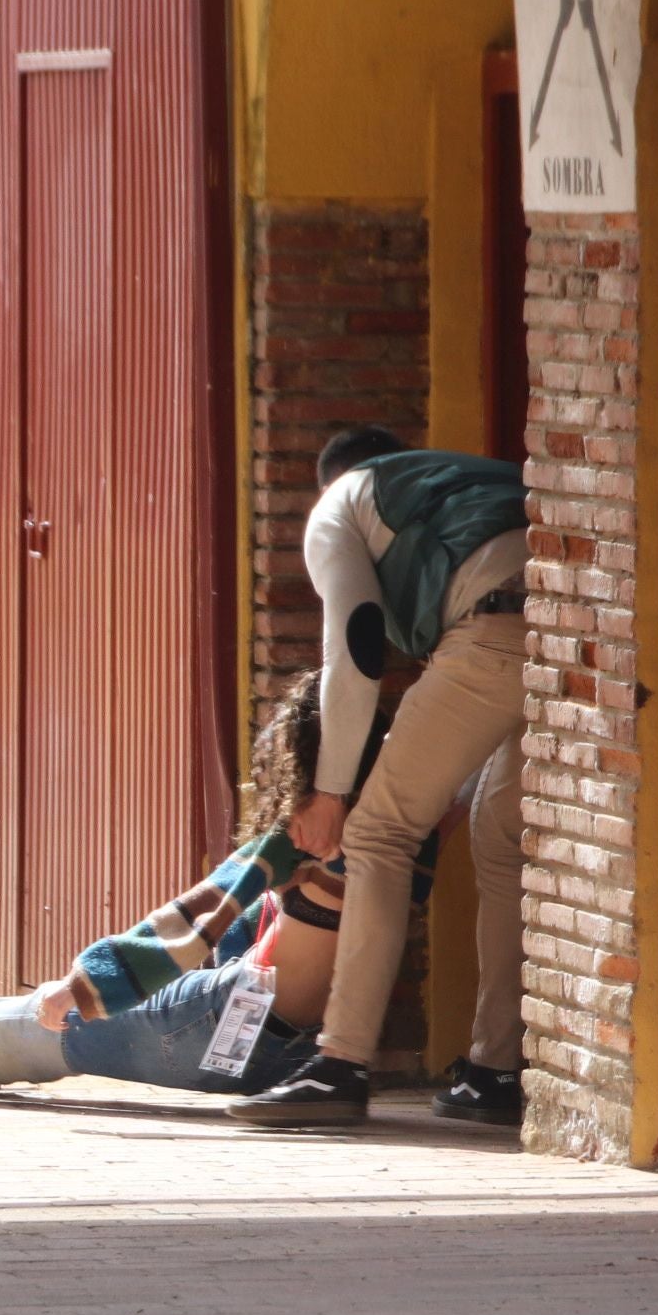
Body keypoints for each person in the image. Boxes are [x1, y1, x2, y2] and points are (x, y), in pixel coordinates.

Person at [0, 671, 439, 1102]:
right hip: (299, 1051)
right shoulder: (409, 831)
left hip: (224, 1021)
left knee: (46, 1019)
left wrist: (85, 985)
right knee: (50, 1017)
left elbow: (191, 921)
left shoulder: (305, 834)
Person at [224, 426, 530, 1128]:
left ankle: (339, 1066)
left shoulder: (340, 502)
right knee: (500, 839)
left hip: (489, 635)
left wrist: (330, 793)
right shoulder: (470, 475)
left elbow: (357, 645)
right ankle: (493, 1073)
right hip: (577, 636)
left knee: (378, 836)